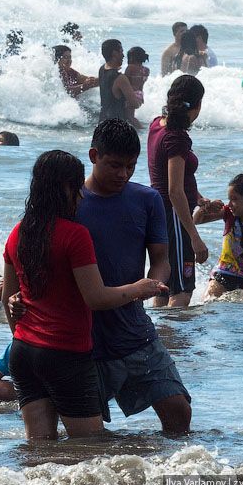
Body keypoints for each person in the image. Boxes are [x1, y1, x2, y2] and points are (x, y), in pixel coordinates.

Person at [0, 150, 168, 440]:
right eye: (76, 187)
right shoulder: (74, 235)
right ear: (64, 189)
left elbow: (8, 299)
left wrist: (24, 336)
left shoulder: (18, 232)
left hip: (23, 352)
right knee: (90, 448)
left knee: (38, 447)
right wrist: (140, 288)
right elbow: (97, 298)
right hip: (65, 354)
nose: (81, 195)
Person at [60, 119, 191, 433]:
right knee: (82, 437)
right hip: (82, 337)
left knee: (179, 412)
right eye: (115, 165)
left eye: (131, 166)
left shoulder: (146, 200)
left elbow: (161, 260)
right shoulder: (69, 201)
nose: (123, 174)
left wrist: (155, 282)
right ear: (93, 155)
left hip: (133, 332)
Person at [148, 75, 219, 307]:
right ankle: (176, 343)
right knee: (181, 291)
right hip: (174, 217)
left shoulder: (157, 124)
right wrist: (195, 237)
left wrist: (197, 197)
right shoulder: (177, 138)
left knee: (163, 288)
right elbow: (174, 191)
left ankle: (161, 338)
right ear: (197, 105)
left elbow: (169, 176)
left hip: (157, 214)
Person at [194, 174, 243, 304]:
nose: (230, 204)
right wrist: (204, 209)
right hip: (223, 272)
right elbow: (196, 221)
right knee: (208, 303)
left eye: (234, 199)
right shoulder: (229, 214)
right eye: (229, 199)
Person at [98, 39, 140, 123]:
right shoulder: (120, 78)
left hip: (102, 122)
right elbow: (135, 104)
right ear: (114, 53)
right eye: (121, 52)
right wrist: (138, 91)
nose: (123, 55)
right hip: (117, 125)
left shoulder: (102, 69)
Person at [124, 46, 149, 127]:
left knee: (129, 116)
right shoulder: (146, 70)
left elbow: (125, 81)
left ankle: (140, 129)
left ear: (131, 58)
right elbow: (141, 85)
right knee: (131, 115)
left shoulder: (130, 68)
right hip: (139, 94)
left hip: (131, 94)